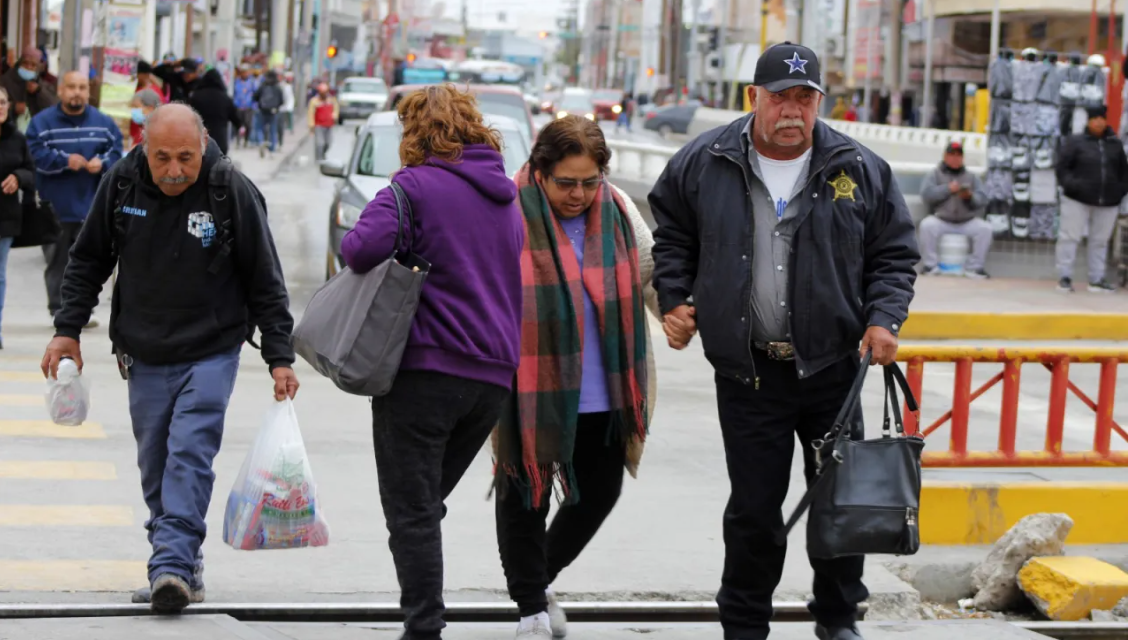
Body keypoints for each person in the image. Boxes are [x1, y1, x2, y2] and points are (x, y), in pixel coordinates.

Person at [648, 42, 919, 640]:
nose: (792, 110)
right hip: (748, 374)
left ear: (819, 101)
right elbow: (671, 236)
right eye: (779, 97)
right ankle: (745, 626)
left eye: (805, 97)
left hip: (832, 372)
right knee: (753, 511)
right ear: (753, 98)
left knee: (838, 504)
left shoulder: (859, 167)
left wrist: (884, 319)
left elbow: (894, 255)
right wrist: (674, 299)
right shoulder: (704, 159)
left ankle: (838, 619)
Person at [40, 103, 299, 614]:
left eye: (185, 157)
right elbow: (88, 258)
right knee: (156, 464)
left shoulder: (231, 190)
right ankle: (183, 561)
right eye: (163, 158)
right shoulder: (122, 184)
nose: (175, 169)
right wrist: (67, 329)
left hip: (212, 348)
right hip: (144, 351)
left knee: (189, 452)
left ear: (203, 146)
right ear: (144, 148)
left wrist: (279, 355)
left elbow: (265, 278)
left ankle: (171, 567)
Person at [339, 84, 524, 640]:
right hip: (491, 380)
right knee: (424, 502)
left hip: (426, 371)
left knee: (411, 508)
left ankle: (424, 626)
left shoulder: (414, 186)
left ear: (414, 133)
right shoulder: (505, 197)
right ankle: (425, 612)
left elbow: (359, 250)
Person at [494, 115, 659, 639]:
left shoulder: (618, 210)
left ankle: (539, 579)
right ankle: (530, 611)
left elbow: (651, 274)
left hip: (605, 389)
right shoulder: (507, 211)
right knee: (526, 497)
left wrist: (676, 314)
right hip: (529, 389)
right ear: (541, 171)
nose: (579, 194)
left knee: (600, 491)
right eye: (567, 182)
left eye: (590, 181)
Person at [27, 71, 123, 327]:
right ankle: (59, 310)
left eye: (82, 87)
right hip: (55, 207)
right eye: (71, 87)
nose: (77, 92)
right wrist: (65, 161)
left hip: (92, 206)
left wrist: (102, 163)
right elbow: (35, 155)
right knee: (58, 263)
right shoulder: (41, 123)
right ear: (60, 90)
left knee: (89, 263)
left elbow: (117, 153)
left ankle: (83, 310)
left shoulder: (104, 123)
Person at [1055, 105, 1127, 293]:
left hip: (1108, 201)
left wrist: (1120, 190)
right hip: (1077, 199)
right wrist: (1072, 185)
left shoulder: (1115, 144)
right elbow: (1062, 167)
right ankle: (1064, 276)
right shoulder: (1075, 142)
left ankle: (1096, 279)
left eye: (1101, 118)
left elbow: (1124, 171)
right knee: (1069, 237)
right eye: (1094, 118)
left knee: (1100, 240)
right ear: (1088, 120)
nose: (1098, 121)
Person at [918, 141, 992, 278]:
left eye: (958, 155)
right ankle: (930, 265)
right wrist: (947, 189)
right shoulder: (935, 174)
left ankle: (975, 268)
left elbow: (982, 199)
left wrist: (969, 197)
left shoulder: (971, 177)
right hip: (942, 219)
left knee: (985, 229)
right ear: (945, 156)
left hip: (966, 221)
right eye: (952, 155)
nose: (955, 158)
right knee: (927, 225)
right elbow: (926, 195)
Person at [0, 86, 35, 349]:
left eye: (2, 102)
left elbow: (31, 171)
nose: (0, 107)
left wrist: (18, 177)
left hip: (5, 216)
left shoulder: (17, 139)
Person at [0, 46, 58, 126]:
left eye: (33, 65)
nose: (28, 67)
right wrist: (14, 108)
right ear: (20, 63)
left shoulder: (42, 84)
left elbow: (53, 107)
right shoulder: (5, 81)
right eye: (25, 63)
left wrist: (38, 91)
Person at [189, 69, 242, 155]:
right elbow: (235, 118)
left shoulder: (196, 96)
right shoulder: (225, 98)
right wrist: (240, 126)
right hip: (220, 141)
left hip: (200, 141)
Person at [253, 70, 284, 157]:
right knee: (273, 130)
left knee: (259, 128)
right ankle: (272, 148)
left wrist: (259, 104)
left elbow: (255, 96)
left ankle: (261, 141)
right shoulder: (277, 87)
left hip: (262, 110)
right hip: (273, 111)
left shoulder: (263, 86)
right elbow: (281, 101)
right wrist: (276, 107)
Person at [308, 82, 338, 161]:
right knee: (320, 143)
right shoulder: (314, 101)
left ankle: (323, 154)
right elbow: (311, 114)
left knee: (328, 143)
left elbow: (336, 109)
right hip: (319, 125)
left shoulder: (331, 100)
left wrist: (334, 117)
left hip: (329, 125)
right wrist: (311, 126)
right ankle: (319, 158)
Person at [232, 66, 258, 148]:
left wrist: (254, 105)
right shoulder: (236, 82)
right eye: (243, 72)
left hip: (248, 107)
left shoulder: (251, 82)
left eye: (246, 72)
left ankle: (246, 140)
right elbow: (234, 93)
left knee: (248, 125)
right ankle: (238, 141)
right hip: (238, 106)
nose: (245, 74)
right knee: (238, 124)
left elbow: (255, 94)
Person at [278, 72, 295, 147]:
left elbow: (289, 97)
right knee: (285, 119)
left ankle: (290, 128)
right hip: (284, 106)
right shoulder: (283, 86)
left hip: (288, 105)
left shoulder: (288, 86)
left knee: (289, 118)